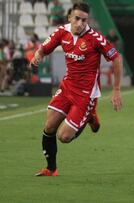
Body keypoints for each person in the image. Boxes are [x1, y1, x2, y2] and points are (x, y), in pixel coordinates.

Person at [30, 2, 123, 176]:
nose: (80, 23)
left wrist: (116, 89)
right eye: (77, 19)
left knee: (64, 137)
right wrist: (37, 56)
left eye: (84, 20)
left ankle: (89, 115)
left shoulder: (95, 38)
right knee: (49, 126)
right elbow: (44, 49)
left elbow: (117, 59)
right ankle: (51, 169)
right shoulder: (61, 32)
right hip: (67, 87)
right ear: (70, 18)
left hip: (86, 94)